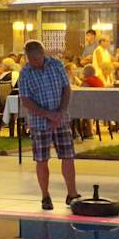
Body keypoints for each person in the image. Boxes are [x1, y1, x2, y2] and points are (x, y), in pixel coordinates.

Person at [14, 40, 79, 212]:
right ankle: (45, 195)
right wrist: (47, 114)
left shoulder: (56, 65)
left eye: (37, 59)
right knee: (42, 159)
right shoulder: (25, 73)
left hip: (61, 118)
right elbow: (26, 101)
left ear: (43, 54)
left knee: (68, 156)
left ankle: (72, 193)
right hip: (39, 122)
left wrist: (61, 111)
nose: (34, 63)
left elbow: (66, 89)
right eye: (31, 60)